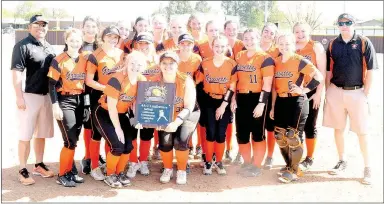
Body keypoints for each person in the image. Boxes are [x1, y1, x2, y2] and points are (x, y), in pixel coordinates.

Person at [324, 13, 378, 185]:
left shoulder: (363, 42)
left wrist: (365, 93)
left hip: (357, 92)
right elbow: (328, 71)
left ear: (354, 23)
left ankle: (367, 166)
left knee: (362, 131)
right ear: (337, 25)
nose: (344, 25)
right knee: (338, 128)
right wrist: (328, 92)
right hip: (336, 90)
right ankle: (342, 160)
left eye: (348, 22)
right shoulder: (333, 44)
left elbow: (371, 71)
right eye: (341, 23)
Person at [270, 33, 323, 183]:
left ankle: (294, 170)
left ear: (293, 45)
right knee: (280, 136)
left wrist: (304, 90)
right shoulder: (276, 62)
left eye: (288, 44)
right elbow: (274, 87)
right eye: (281, 43)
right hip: (281, 101)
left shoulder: (300, 60)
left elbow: (318, 76)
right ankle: (289, 165)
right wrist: (273, 106)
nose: (284, 47)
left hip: (297, 102)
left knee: (293, 136)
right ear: (277, 45)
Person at [11, 14, 55, 185]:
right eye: (36, 24)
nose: (40, 28)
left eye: (43, 25)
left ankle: (38, 164)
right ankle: (22, 168)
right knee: (25, 135)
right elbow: (16, 73)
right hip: (29, 96)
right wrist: (18, 97)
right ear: (30, 27)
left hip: (46, 97)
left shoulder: (50, 47)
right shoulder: (22, 46)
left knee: (41, 134)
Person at [94, 51, 147, 188]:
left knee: (128, 146)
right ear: (126, 63)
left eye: (139, 64)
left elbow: (139, 102)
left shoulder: (142, 80)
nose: (135, 66)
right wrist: (118, 129)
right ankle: (109, 174)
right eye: (132, 63)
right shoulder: (116, 79)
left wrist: (140, 118)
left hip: (122, 114)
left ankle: (119, 172)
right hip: (105, 113)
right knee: (117, 144)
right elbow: (111, 107)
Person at [148, 51, 200, 185]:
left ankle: (182, 170)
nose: (168, 66)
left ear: (177, 65)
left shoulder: (185, 80)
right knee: (165, 142)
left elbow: (189, 106)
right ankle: (168, 168)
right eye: (164, 63)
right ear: (159, 65)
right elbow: (149, 104)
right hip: (166, 115)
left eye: (172, 63)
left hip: (186, 114)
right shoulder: (154, 81)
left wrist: (177, 122)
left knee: (180, 141)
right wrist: (150, 119)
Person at [230, 28, 274, 177]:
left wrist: (262, 103)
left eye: (252, 38)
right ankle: (247, 162)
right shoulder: (239, 55)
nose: (249, 41)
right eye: (246, 38)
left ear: (258, 39)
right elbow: (235, 79)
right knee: (241, 133)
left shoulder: (265, 58)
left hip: (257, 98)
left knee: (257, 134)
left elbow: (267, 84)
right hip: (241, 98)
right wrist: (234, 98)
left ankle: (257, 166)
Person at [47, 28, 86, 187]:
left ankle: (70, 170)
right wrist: (55, 105)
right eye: (72, 40)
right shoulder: (59, 59)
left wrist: (87, 105)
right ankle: (62, 174)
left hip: (80, 100)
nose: (75, 43)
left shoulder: (84, 59)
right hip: (65, 100)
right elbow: (51, 85)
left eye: (77, 40)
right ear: (66, 41)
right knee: (70, 140)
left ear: (81, 42)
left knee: (74, 139)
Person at [86, 25, 124, 181]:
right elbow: (89, 81)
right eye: (109, 36)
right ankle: (94, 166)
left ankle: (110, 165)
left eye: (115, 37)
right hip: (99, 97)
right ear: (103, 37)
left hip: (117, 98)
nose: (112, 39)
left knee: (112, 132)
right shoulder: (95, 55)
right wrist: (107, 89)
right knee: (96, 133)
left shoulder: (121, 54)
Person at [195, 35, 237, 175]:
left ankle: (218, 161)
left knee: (221, 133)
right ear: (212, 47)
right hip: (208, 101)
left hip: (223, 101)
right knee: (210, 131)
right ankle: (208, 161)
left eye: (222, 46)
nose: (219, 49)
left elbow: (232, 86)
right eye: (217, 46)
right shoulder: (205, 63)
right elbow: (197, 82)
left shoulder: (232, 64)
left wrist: (224, 105)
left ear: (227, 48)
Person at [293, 22, 326, 171]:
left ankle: (309, 158)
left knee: (309, 125)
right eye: (297, 32)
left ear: (309, 31)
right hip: (294, 91)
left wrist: (318, 93)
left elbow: (321, 72)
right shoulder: (291, 46)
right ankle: (295, 157)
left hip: (311, 90)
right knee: (294, 126)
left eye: (303, 31)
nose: (300, 35)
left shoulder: (315, 46)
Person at [125, 32, 157, 179]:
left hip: (151, 103)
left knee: (146, 135)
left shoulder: (157, 61)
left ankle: (143, 160)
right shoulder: (132, 58)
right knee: (132, 133)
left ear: (152, 45)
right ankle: (133, 161)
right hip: (132, 102)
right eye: (141, 43)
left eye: (147, 44)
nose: (144, 46)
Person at [79, 15, 104, 175]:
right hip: (82, 90)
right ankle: (87, 157)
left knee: (98, 125)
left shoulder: (101, 46)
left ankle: (96, 155)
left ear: (97, 29)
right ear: (82, 28)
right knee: (87, 124)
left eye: (93, 26)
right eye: (87, 26)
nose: (90, 29)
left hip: (98, 89)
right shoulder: (76, 44)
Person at [223, 20, 245, 162]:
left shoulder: (242, 45)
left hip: (240, 86)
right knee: (226, 120)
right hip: (223, 87)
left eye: (234, 28)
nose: (231, 31)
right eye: (228, 28)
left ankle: (241, 151)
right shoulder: (220, 43)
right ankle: (227, 149)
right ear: (224, 30)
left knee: (241, 121)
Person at [259, 22, 280, 170]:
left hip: (272, 91)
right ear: (262, 32)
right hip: (254, 92)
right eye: (266, 31)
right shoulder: (253, 46)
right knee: (256, 125)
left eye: (272, 33)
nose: (268, 35)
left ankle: (270, 156)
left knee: (270, 126)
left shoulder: (278, 51)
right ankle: (257, 153)